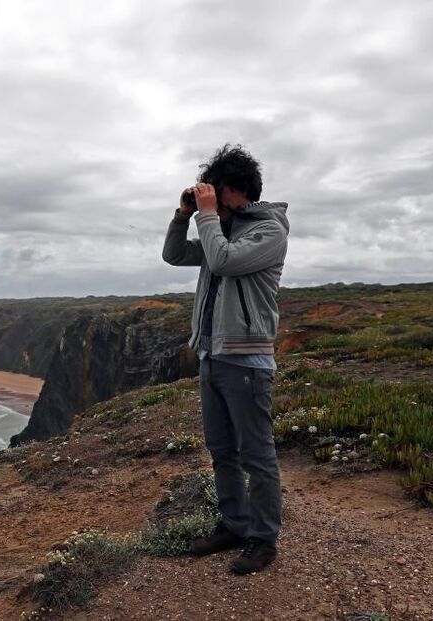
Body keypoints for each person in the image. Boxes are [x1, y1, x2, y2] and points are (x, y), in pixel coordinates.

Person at [161, 144, 289, 574]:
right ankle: (235, 525)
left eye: (217, 191)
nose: (209, 198)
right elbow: (175, 255)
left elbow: (222, 260)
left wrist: (207, 216)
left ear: (236, 191)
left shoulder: (268, 232)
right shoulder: (223, 228)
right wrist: (183, 216)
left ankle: (263, 538)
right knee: (222, 451)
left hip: (247, 361)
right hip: (212, 356)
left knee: (256, 454)